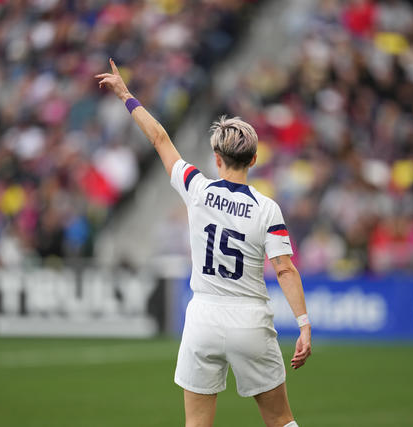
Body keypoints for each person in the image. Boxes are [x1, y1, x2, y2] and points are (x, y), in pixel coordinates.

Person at [96, 59, 312, 427]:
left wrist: (126, 95)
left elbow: (160, 139)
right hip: (249, 319)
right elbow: (285, 269)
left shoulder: (197, 187)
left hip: (203, 319)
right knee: (279, 420)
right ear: (254, 159)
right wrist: (304, 324)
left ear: (216, 159)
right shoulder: (267, 209)